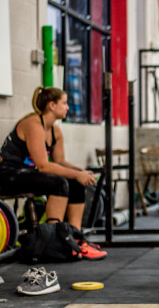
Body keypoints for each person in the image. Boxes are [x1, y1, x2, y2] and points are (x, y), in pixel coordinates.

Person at [0, 86, 106, 260]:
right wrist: (75, 174)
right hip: (8, 174)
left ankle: (76, 239)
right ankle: (53, 239)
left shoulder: (55, 131)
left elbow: (59, 162)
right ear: (52, 105)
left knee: (75, 183)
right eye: (64, 103)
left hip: (27, 172)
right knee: (58, 183)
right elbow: (43, 166)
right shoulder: (33, 124)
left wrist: (81, 172)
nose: (67, 107)